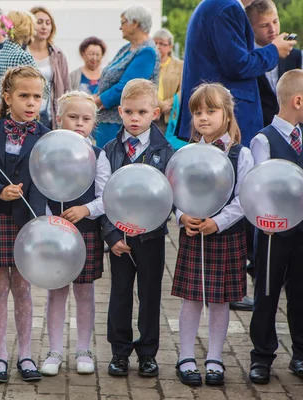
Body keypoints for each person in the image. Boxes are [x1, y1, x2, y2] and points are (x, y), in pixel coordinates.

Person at [172, 83, 254, 387]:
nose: (203, 117)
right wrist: (182, 216)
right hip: (193, 232)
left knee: (220, 301)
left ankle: (216, 357)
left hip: (226, 235)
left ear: (227, 115)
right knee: (191, 299)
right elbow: (174, 191)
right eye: (197, 112)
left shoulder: (240, 155)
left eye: (211, 110)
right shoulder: (187, 153)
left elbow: (245, 198)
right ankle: (186, 356)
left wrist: (218, 222)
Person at [0, 65, 48, 383]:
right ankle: (0, 356)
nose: (31, 102)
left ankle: (26, 354)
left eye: (37, 96)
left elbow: (48, 179)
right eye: (24, 96)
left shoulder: (45, 135)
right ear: (7, 97)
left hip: (28, 220)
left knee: (23, 286)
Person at [102, 79, 174, 378]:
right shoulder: (109, 150)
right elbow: (103, 195)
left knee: (149, 294)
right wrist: (111, 234)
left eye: (142, 112)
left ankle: (147, 352)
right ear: (120, 111)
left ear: (154, 113)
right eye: (129, 111)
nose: (135, 118)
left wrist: (149, 225)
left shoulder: (166, 152)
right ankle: (119, 352)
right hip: (119, 237)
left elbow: (168, 198)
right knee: (119, 294)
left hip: (151, 237)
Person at [40, 91, 109, 377]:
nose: (79, 123)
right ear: (59, 119)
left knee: (84, 291)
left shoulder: (98, 155)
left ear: (94, 122)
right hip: (55, 232)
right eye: (72, 117)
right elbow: (38, 186)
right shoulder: (47, 152)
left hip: (86, 231)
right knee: (56, 292)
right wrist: (48, 219)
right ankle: (55, 350)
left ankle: (83, 348)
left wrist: (86, 210)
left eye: (86, 118)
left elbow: (106, 196)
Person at [176, 0, 297, 146]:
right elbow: (238, 65)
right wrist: (274, 51)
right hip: (225, 122)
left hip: (216, 115)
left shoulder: (218, 5)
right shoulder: (227, 8)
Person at [248, 69, 303, 385]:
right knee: (267, 293)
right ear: (298, 100)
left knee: (300, 292)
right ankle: (262, 357)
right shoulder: (263, 140)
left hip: (302, 231)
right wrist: (263, 218)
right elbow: (256, 186)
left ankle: (300, 353)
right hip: (273, 231)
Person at [93, 5, 160, 148]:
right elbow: (106, 79)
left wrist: (97, 101)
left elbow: (127, 86)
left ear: (135, 24)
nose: (120, 27)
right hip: (107, 119)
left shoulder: (147, 51)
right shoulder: (127, 48)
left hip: (121, 123)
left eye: (123, 22)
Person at [247, 0, 302, 127]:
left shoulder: (296, 56)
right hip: (258, 128)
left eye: (275, 21)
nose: (272, 29)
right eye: (264, 25)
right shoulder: (247, 59)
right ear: (251, 28)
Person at [28, 6, 70, 129]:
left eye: (48, 23)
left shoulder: (58, 54)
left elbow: (67, 88)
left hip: (51, 116)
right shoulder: (21, 52)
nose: (44, 27)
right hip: (26, 112)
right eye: (39, 22)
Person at [0, 10, 39, 100]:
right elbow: (42, 86)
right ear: (26, 31)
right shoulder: (23, 56)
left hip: (0, 107)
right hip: (18, 108)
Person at [153, 28, 183, 135]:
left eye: (162, 44)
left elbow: (183, 89)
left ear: (170, 47)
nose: (157, 47)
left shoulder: (180, 65)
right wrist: (160, 104)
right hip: (150, 115)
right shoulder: (149, 64)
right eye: (155, 43)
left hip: (171, 116)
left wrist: (168, 104)